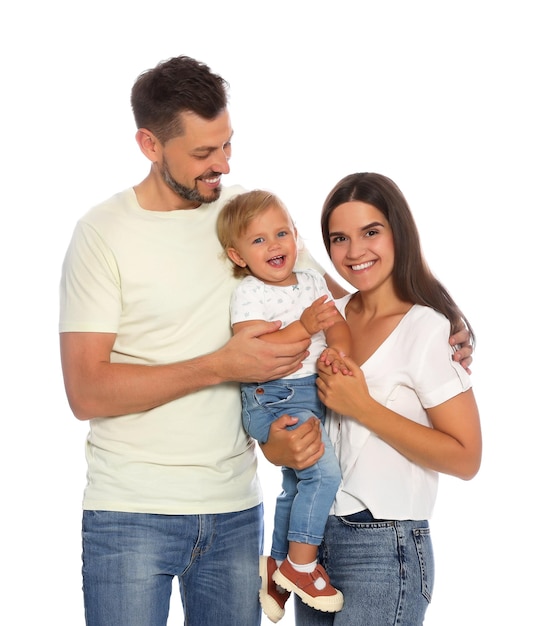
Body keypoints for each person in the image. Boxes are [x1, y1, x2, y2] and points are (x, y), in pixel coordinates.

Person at [59, 56, 334, 626]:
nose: (224, 164)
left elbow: (339, 305)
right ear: (149, 144)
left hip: (236, 510)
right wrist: (219, 365)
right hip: (129, 512)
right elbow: (86, 390)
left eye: (227, 144)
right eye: (204, 154)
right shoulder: (101, 233)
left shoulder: (246, 218)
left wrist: (445, 322)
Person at [291, 172, 482, 626]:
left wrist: (364, 408)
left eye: (371, 232)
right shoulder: (326, 317)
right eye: (340, 238)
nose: (355, 251)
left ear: (399, 232)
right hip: (312, 544)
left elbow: (466, 458)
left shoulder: (428, 328)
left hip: (384, 547)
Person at [217, 189, 351, 621]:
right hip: (272, 397)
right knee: (324, 473)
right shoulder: (251, 292)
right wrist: (303, 326)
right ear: (238, 257)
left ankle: (275, 567)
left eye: (281, 233)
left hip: (309, 390)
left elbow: (338, 325)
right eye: (258, 241)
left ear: (296, 235)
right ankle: (302, 565)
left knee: (297, 485)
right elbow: (255, 350)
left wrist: (339, 352)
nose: (274, 245)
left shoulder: (312, 280)